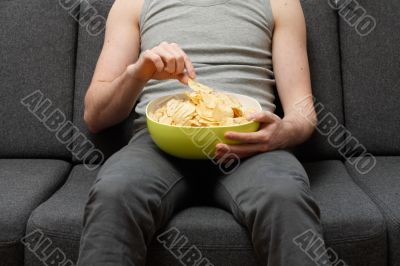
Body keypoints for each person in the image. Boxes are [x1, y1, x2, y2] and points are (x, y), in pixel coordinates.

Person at [77, 0, 327, 265]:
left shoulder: (281, 3)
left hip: (250, 147)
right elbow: (96, 116)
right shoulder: (132, 3)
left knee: (285, 195)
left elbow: (303, 111)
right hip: (159, 147)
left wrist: (282, 133)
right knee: (114, 193)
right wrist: (137, 74)